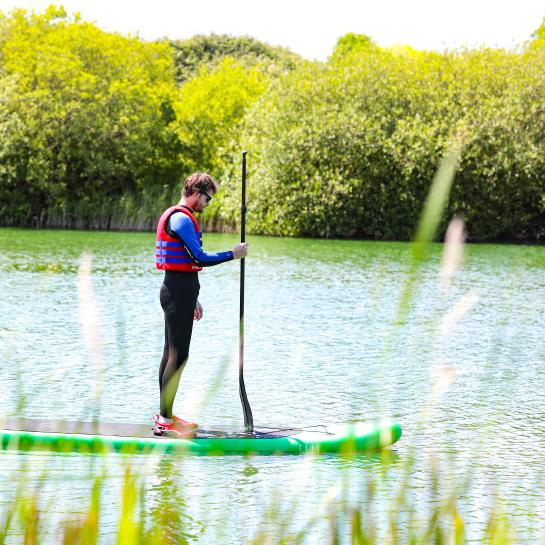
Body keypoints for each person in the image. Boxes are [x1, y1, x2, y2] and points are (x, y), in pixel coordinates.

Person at [154, 172, 248, 437]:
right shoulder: (182, 218)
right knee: (178, 356)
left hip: (180, 291)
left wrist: (193, 297)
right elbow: (200, 257)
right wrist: (233, 254)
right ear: (196, 192)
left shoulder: (181, 217)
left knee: (171, 354)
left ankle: (167, 416)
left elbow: (185, 263)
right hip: (176, 292)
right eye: (207, 198)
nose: (208, 204)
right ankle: (164, 421)